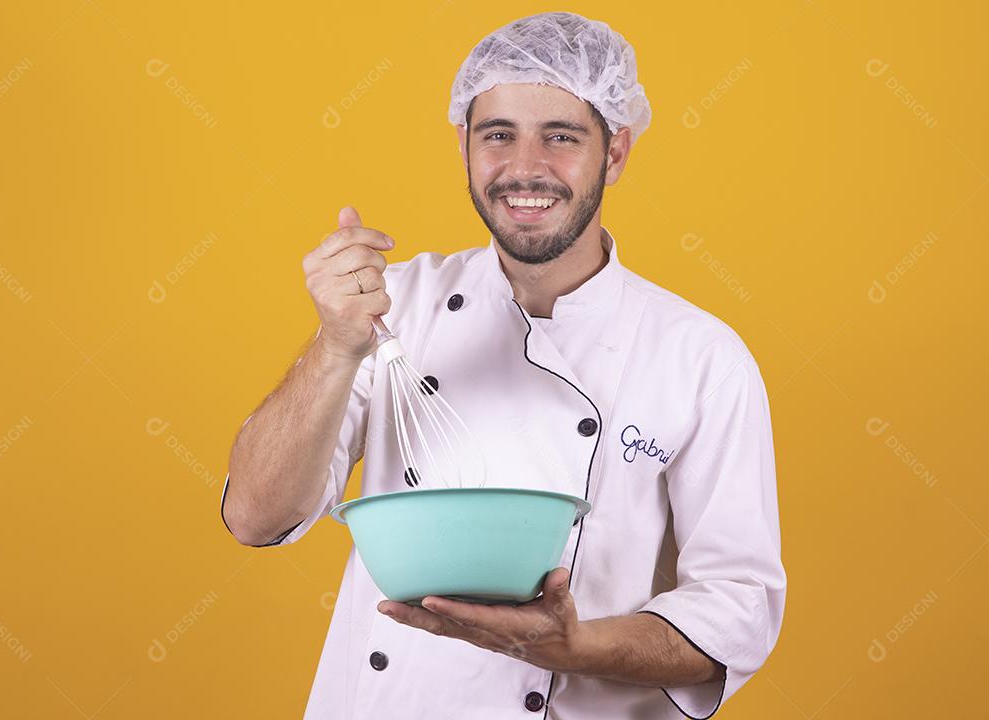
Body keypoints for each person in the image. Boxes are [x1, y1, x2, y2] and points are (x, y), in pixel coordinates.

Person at [221, 11, 785, 719]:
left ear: (614, 154)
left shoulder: (700, 356)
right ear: (463, 146)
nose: (526, 168)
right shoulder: (396, 306)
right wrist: (335, 346)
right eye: (499, 135)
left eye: (561, 137)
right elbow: (253, 517)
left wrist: (573, 649)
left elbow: (737, 610)